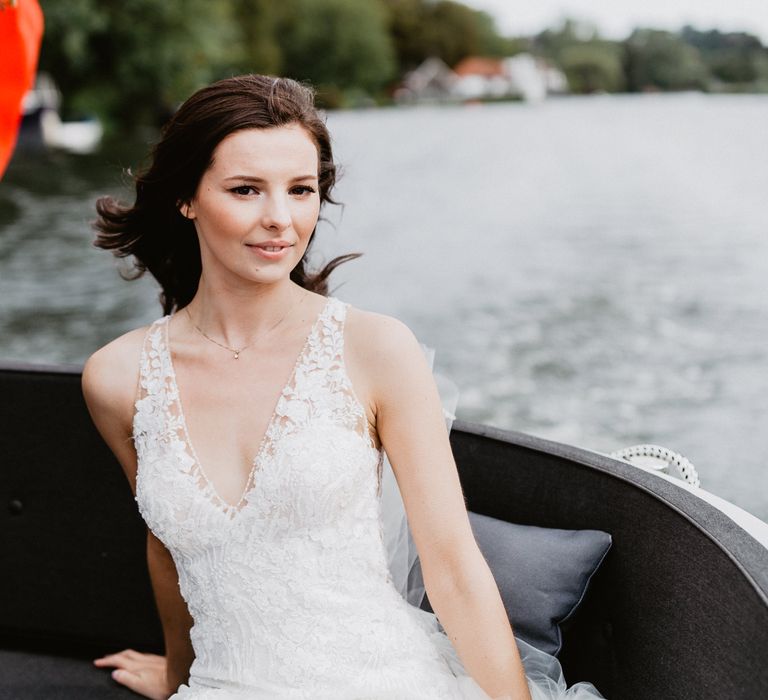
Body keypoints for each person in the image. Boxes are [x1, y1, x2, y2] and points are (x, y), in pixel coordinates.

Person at [81, 74, 605, 700]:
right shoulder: (117, 377)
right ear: (186, 198)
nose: (280, 219)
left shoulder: (376, 350)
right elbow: (168, 550)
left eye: (301, 190)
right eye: (246, 189)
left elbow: (454, 569)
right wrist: (175, 675)